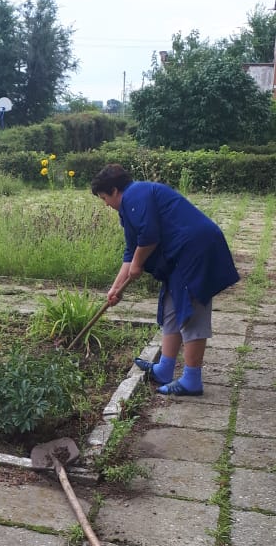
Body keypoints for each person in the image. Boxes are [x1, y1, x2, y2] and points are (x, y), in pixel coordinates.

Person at [91, 164, 239, 397]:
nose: (105, 204)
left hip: (194, 251)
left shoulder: (135, 195)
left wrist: (139, 264)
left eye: (104, 198)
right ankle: (164, 368)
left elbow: (149, 237)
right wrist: (116, 289)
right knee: (171, 307)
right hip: (180, 256)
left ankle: (192, 379)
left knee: (191, 312)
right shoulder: (129, 206)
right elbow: (132, 251)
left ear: (114, 191)